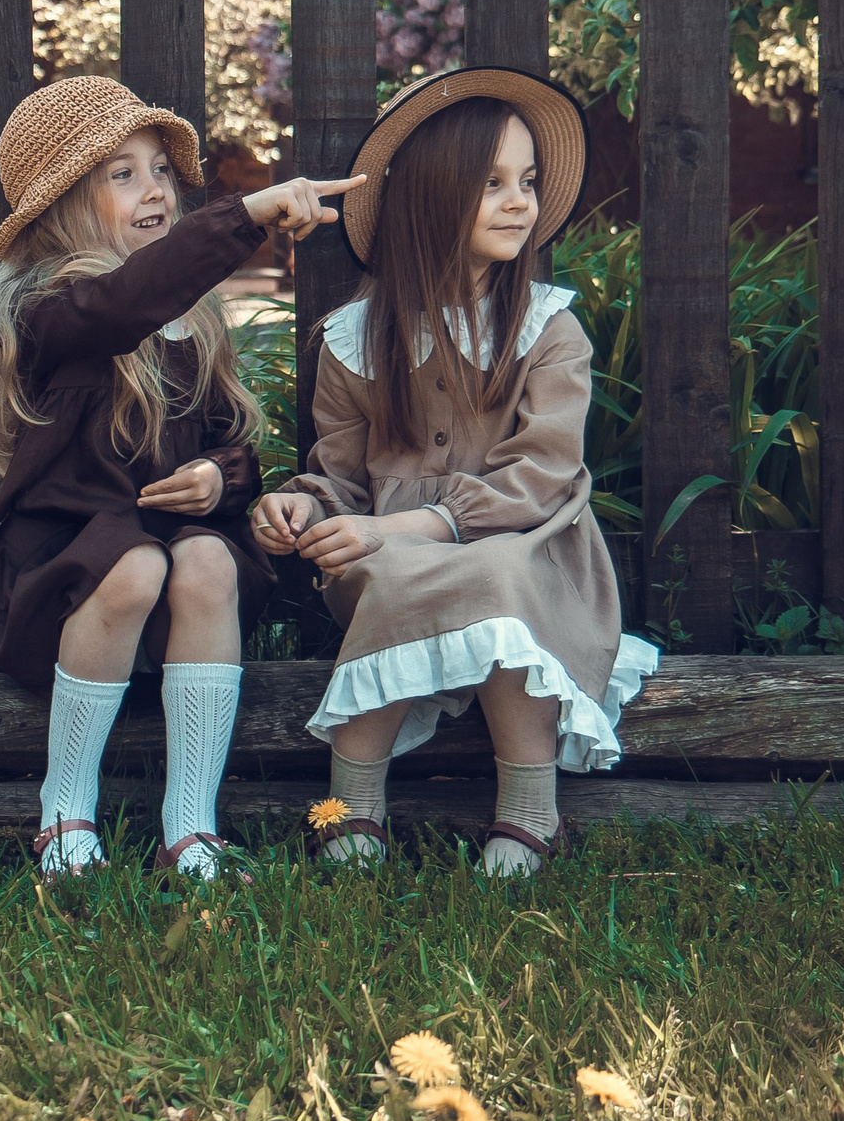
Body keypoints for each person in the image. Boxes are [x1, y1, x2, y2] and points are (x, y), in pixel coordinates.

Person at [249, 67, 657, 876]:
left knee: (496, 572)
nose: (520, 201)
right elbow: (342, 478)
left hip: (529, 544)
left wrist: (404, 527)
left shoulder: (548, 329)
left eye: (529, 182)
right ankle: (345, 809)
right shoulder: (355, 339)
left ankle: (530, 813)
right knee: (387, 562)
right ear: (432, 197)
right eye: (494, 182)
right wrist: (299, 506)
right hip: (388, 550)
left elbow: (540, 476)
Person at [0, 76, 361, 879]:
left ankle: (192, 825)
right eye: (122, 174)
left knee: (208, 555)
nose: (156, 189)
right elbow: (121, 304)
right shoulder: (50, 316)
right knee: (135, 560)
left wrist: (218, 474)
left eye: (161, 171)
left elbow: (230, 442)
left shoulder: (191, 321)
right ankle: (66, 807)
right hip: (64, 583)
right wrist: (246, 215)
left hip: (170, 586)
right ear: (67, 204)